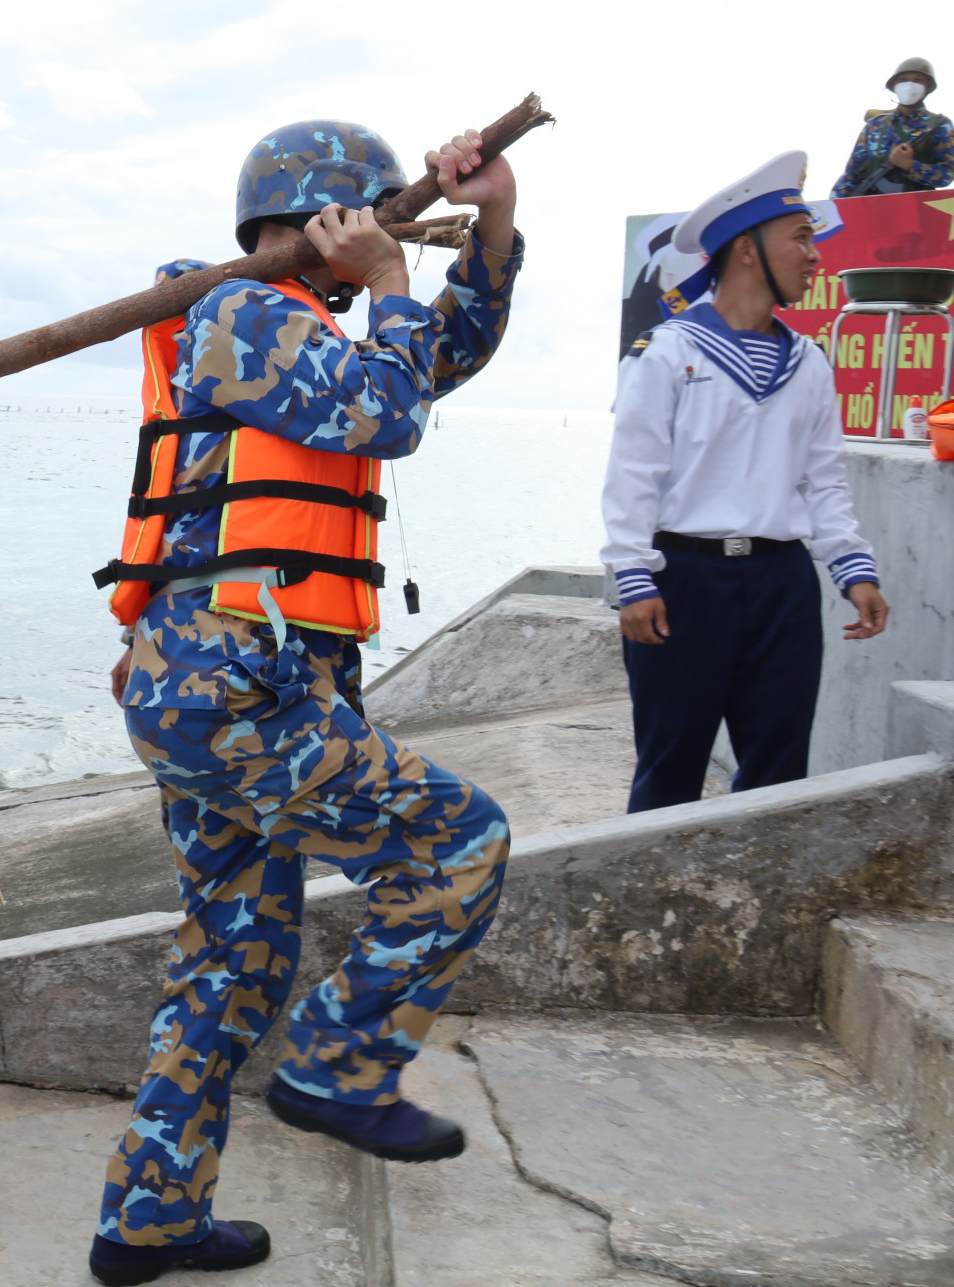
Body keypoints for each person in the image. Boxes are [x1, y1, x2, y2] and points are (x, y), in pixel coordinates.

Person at [84, 122, 522, 1285]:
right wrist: (386, 279)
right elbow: (390, 414)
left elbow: (434, 359)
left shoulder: (301, 323)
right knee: (460, 842)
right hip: (239, 684)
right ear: (332, 216)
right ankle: (338, 1062)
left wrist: (491, 222)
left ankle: (150, 1216)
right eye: (374, 217)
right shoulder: (244, 314)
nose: (390, 240)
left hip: (226, 683)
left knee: (229, 962)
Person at [603, 152, 891, 814]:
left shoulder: (809, 363)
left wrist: (854, 570)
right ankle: (655, 906)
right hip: (683, 581)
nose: (815, 255)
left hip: (782, 585)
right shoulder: (669, 352)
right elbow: (632, 478)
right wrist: (634, 579)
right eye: (800, 237)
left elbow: (824, 482)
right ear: (747, 250)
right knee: (669, 765)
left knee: (779, 770)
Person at [831, 58, 953, 198]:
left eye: (918, 80)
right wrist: (833, 207)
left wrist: (910, 165)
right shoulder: (875, 125)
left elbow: (947, 175)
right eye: (903, 79)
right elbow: (851, 176)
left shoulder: (939, 125)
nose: (909, 84)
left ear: (928, 86)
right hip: (871, 209)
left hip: (918, 209)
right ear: (894, 86)